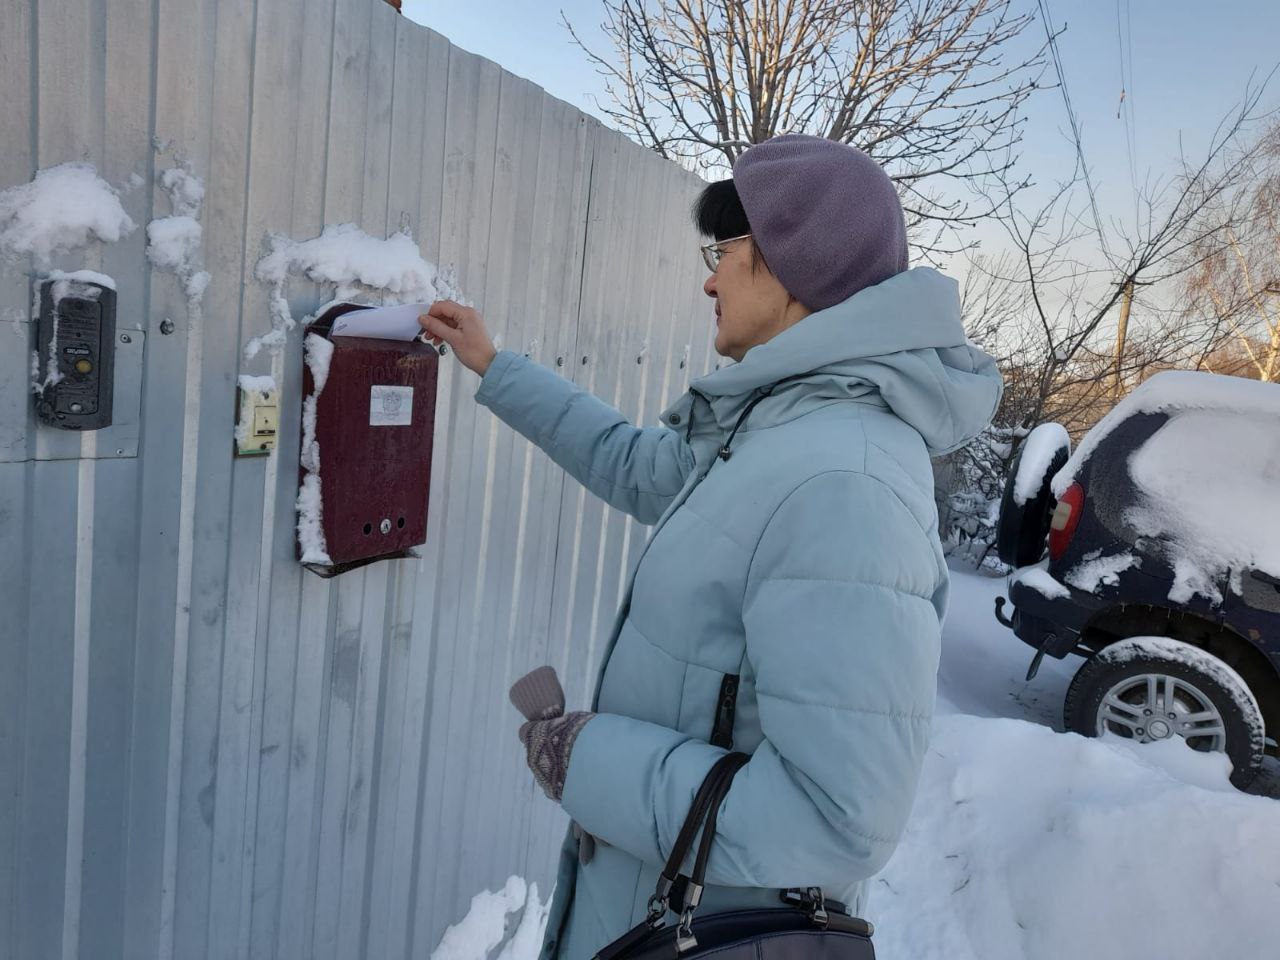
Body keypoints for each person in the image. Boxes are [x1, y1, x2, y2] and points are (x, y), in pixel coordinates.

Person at [419, 133, 1003, 960]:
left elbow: (837, 819)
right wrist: (493, 364)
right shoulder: (779, 427)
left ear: (792, 261)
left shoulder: (845, 486)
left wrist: (591, 760)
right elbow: (636, 465)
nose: (708, 276)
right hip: (656, 907)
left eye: (724, 250)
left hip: (711, 931)